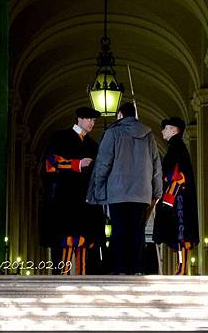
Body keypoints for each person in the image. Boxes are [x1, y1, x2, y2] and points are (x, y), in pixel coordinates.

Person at [86, 102, 162, 275]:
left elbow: (104, 163)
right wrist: (157, 191)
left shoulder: (112, 133)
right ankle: (136, 268)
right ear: (134, 114)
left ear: (120, 114)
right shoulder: (148, 133)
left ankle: (119, 268)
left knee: (119, 231)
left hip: (117, 192)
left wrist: (98, 188)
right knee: (137, 231)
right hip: (142, 193)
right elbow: (156, 165)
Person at [40, 106, 106, 275]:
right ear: (79, 119)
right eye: (89, 119)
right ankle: (63, 274)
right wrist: (77, 164)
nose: (92, 123)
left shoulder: (93, 145)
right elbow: (51, 163)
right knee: (66, 237)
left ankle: (82, 274)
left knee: (84, 237)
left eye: (94, 120)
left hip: (85, 199)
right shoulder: (60, 137)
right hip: (64, 197)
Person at [153, 117, 199, 275]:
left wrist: (168, 191)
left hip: (177, 197)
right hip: (176, 196)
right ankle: (181, 266)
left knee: (181, 232)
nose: (162, 131)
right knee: (178, 232)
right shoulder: (176, 146)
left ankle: (182, 266)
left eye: (165, 128)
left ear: (173, 129)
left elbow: (176, 174)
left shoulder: (176, 147)